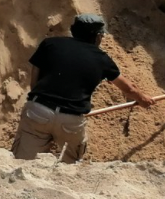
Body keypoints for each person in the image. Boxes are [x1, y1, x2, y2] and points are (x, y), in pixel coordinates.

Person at [12, 14, 154, 163]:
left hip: (38, 111)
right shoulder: (102, 59)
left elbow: (35, 72)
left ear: (74, 30)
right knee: (70, 163)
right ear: (98, 36)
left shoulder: (50, 44)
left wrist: (38, 97)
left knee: (23, 162)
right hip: (70, 119)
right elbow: (128, 88)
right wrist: (142, 99)